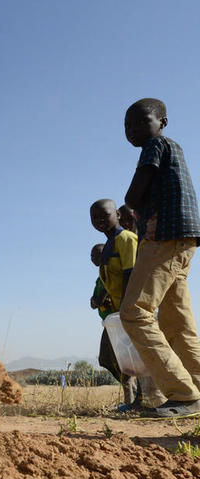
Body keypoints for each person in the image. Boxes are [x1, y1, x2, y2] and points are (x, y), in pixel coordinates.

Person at [120, 98, 200, 418]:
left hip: (164, 238)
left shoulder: (156, 146)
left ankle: (182, 393)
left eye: (141, 121)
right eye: (127, 126)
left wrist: (131, 205)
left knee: (135, 312)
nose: (134, 130)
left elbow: (133, 195)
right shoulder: (174, 149)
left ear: (162, 122)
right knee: (176, 321)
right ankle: (195, 387)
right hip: (184, 240)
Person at [89, 202, 139, 408]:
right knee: (108, 358)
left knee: (139, 359)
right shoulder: (111, 243)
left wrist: (128, 306)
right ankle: (135, 396)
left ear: (117, 214)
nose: (99, 220)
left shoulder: (127, 239)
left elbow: (131, 273)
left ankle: (144, 399)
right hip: (116, 316)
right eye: (94, 218)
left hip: (129, 310)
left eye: (105, 215)